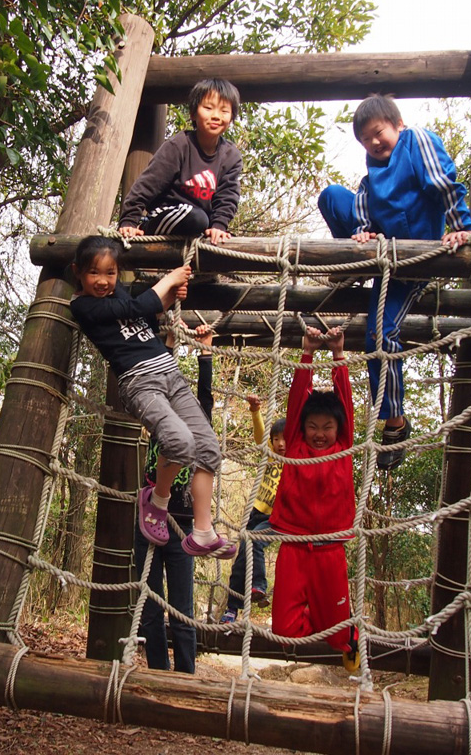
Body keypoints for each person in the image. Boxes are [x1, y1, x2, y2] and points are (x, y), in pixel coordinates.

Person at [317, 93, 471, 469]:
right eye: (365, 140)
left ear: (397, 125)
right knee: (332, 195)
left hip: (412, 263)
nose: (373, 142)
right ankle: (356, 269)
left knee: (379, 334)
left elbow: (445, 184)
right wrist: (364, 232)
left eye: (378, 132)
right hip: (381, 252)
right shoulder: (372, 175)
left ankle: (395, 420)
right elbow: (365, 205)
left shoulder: (416, 141)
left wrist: (460, 228)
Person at [70, 234, 236, 559]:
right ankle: (157, 500)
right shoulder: (83, 305)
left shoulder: (120, 294)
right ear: (78, 272)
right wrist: (169, 279)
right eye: (94, 273)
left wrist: (169, 295)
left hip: (170, 374)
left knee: (208, 448)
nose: (103, 281)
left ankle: (203, 531)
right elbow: (137, 306)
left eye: (110, 273)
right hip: (140, 383)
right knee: (180, 443)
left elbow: (144, 314)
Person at [269, 326, 360, 672]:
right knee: (284, 630)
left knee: (339, 637)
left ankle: (343, 634)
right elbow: (296, 402)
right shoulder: (294, 447)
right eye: (313, 427)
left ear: (338, 430)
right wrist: (307, 353)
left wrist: (339, 354)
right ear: (301, 428)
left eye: (327, 427)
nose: (320, 434)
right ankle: (316, 622)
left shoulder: (344, 449)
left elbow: (346, 404)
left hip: (330, 549)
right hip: (294, 547)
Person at [133, 326, 215, 673]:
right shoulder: (161, 429)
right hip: (148, 521)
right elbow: (158, 381)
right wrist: (167, 342)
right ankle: (157, 671)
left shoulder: (197, 434)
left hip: (181, 527)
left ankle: (186, 674)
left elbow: (205, 398)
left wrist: (205, 353)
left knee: (181, 606)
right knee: (149, 605)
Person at [118, 78, 242, 246]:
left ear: (232, 117)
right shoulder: (178, 146)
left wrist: (219, 226)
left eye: (224, 111)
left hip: (198, 224)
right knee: (198, 219)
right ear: (193, 113)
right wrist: (129, 221)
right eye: (208, 108)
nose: (216, 116)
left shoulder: (231, 156)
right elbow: (148, 183)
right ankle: (147, 225)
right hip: (166, 214)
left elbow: (227, 196)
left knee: (205, 225)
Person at [220, 395, 285, 624]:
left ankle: (259, 585)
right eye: (276, 439)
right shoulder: (271, 456)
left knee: (254, 542)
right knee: (240, 563)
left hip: (277, 517)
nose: (280, 444)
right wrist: (255, 411)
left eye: (285, 440)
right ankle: (231, 609)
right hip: (256, 512)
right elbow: (260, 437)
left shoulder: (295, 462)